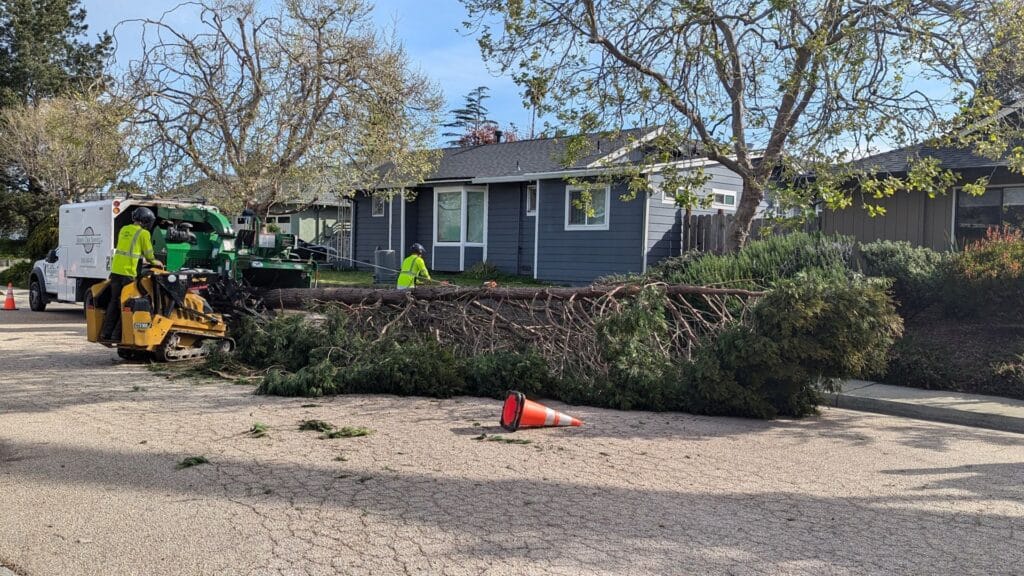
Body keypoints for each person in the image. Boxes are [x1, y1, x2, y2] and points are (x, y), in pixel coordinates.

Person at [99, 207, 163, 341]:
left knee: (115, 301)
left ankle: (106, 333)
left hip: (116, 271)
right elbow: (148, 254)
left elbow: (128, 249)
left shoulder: (124, 229)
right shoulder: (144, 234)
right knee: (128, 304)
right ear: (146, 221)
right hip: (128, 272)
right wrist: (155, 262)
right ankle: (118, 335)